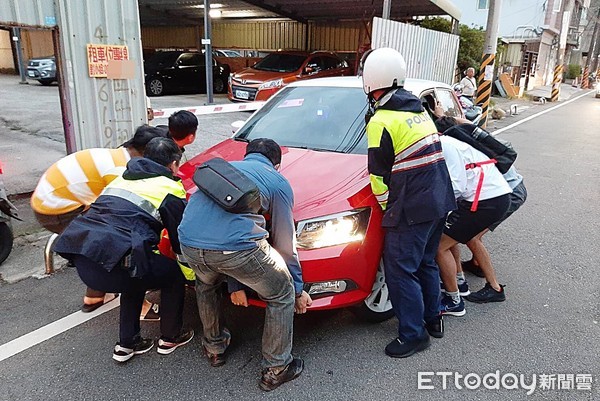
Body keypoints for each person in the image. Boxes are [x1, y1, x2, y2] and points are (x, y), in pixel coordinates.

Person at [179, 138, 311, 391]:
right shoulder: (277, 182)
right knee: (281, 293)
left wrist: (233, 283)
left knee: (205, 285)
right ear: (277, 164)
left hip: (189, 244)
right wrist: (296, 287)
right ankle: (277, 368)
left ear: (247, 154)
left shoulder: (223, 169)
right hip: (236, 250)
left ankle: (215, 348)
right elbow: (285, 242)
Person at [54, 137, 193, 362]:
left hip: (85, 260)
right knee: (172, 275)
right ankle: (171, 337)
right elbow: (179, 239)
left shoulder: (121, 178)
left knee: (135, 270)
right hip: (116, 263)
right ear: (174, 164)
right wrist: (190, 274)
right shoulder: (170, 188)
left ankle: (127, 344)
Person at [361, 48, 456, 358]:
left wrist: (391, 211)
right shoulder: (418, 111)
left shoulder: (382, 121)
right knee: (426, 262)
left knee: (401, 271)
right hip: (439, 200)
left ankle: (413, 335)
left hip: (412, 209)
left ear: (370, 82)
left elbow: (378, 177)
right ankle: (434, 320)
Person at [31, 125, 169, 316]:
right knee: (114, 245)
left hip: (50, 200)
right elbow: (117, 213)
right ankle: (141, 308)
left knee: (96, 247)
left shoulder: (119, 155)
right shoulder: (120, 170)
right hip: (56, 208)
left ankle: (94, 297)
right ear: (147, 151)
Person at [434, 116, 512, 316]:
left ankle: (454, 301)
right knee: (462, 238)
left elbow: (457, 186)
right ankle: (467, 285)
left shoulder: (446, 144)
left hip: (486, 201)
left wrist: (436, 206)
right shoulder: (456, 142)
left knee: (439, 246)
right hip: (496, 196)